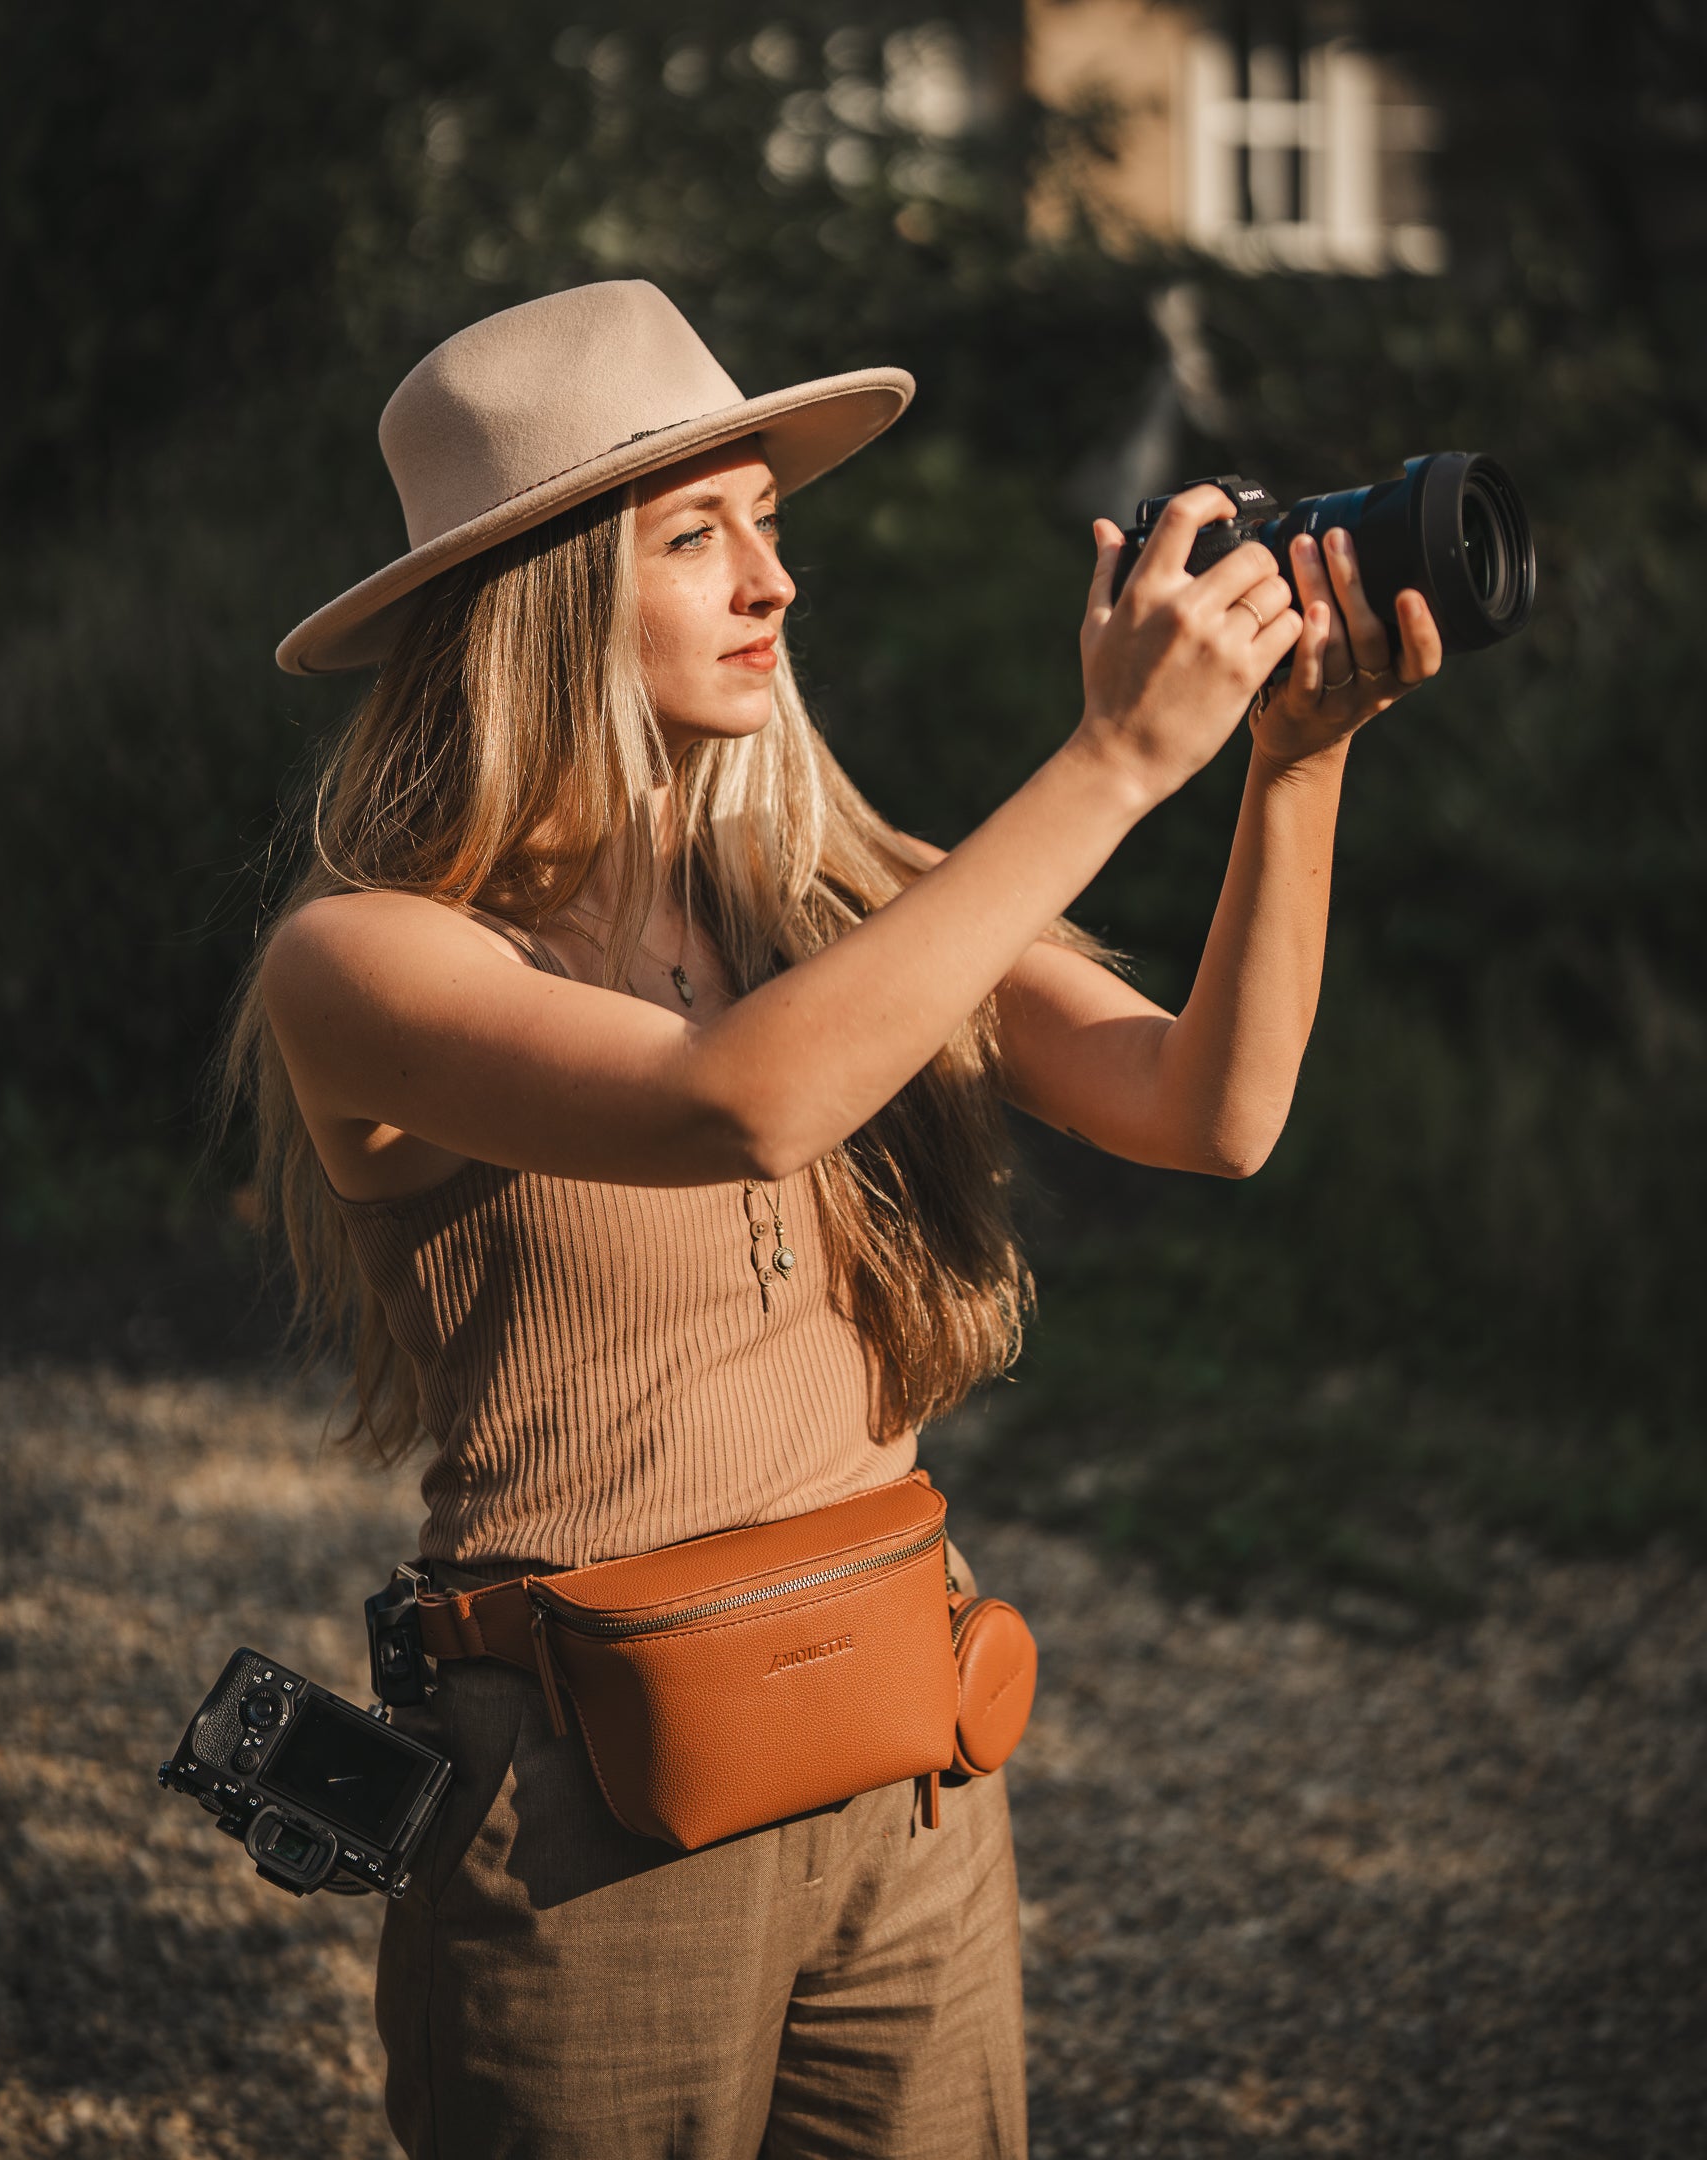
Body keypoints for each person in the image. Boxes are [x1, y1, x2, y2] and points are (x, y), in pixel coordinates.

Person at [229, 279, 1442, 2159]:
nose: (769, 584)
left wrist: (1296, 767)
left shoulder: (837, 897)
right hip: (582, 1829)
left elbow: (1211, 1114)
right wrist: (1115, 764)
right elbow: (743, 1102)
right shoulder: (369, 959)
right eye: (693, 535)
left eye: (770, 525)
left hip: (910, 1768)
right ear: (535, 597)